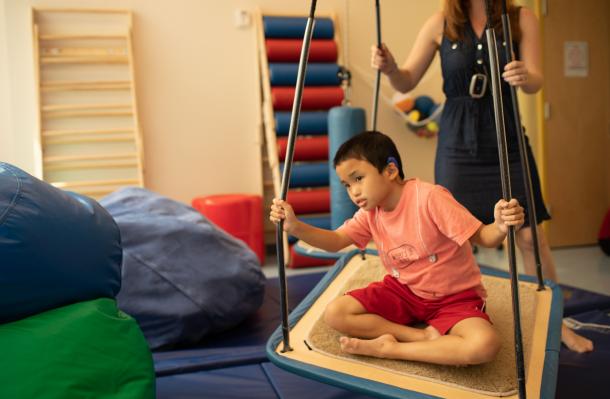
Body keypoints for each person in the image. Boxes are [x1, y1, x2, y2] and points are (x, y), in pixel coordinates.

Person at [370, 0, 593, 353]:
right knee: (453, 239)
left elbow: (535, 81)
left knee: (531, 237)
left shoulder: (520, 18)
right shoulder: (441, 22)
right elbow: (406, 79)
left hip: (506, 137)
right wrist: (391, 66)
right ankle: (453, 316)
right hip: (457, 141)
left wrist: (526, 76)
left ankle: (556, 323)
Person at [270, 131, 525, 365]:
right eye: (347, 185)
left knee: (485, 345)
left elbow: (483, 236)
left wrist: (500, 225)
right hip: (405, 291)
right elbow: (337, 240)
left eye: (358, 178)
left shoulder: (429, 198)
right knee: (335, 314)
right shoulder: (369, 212)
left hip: (454, 298)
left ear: (390, 170)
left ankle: (390, 349)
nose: (354, 191)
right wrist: (295, 227)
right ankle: (419, 337)